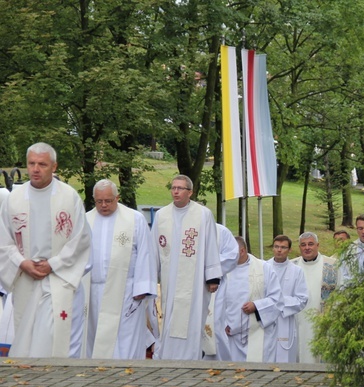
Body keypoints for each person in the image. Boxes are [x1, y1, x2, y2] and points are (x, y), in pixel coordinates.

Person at [0, 143, 91, 357]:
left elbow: (80, 239)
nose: (35, 169)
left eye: (42, 164)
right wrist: (21, 262)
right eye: (31, 163)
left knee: (51, 335)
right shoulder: (14, 198)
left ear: (54, 166)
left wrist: (54, 264)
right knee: (25, 335)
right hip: (25, 277)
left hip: (57, 279)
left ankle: (53, 381)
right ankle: (26, 383)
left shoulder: (69, 197)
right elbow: (3, 239)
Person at [84, 180, 157, 359]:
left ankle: (127, 372)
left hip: (126, 291)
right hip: (93, 290)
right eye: (99, 201)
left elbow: (146, 253)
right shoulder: (86, 219)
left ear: (117, 197)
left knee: (124, 338)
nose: (103, 205)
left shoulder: (134, 219)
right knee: (95, 334)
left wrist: (142, 287)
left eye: (108, 201)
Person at [151, 174, 222, 360]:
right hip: (169, 277)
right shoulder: (161, 215)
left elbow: (211, 245)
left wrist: (212, 276)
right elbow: (154, 249)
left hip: (195, 280)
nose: (175, 191)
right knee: (170, 315)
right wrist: (151, 277)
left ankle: (191, 358)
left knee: (191, 318)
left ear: (190, 192)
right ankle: (167, 356)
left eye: (180, 188)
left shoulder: (203, 214)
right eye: (173, 187)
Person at [218, 237, 282, 362]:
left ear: (242, 251)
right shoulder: (222, 271)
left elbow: (277, 300)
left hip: (257, 333)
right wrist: (221, 324)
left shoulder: (264, 268)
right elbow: (214, 300)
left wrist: (257, 306)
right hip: (229, 334)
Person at [291, 232, 338, 363]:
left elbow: (340, 293)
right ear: (299, 247)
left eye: (311, 244)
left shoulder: (332, 265)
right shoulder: (291, 266)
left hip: (323, 319)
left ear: (318, 245)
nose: (307, 248)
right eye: (303, 245)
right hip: (298, 320)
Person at [266, 235, 308, 363]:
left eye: (283, 247)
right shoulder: (263, 267)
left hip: (286, 320)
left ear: (289, 250)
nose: (279, 250)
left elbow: (302, 299)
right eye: (276, 247)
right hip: (266, 318)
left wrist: (278, 302)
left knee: (285, 357)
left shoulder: (297, 271)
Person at [202, 223, 239, 359]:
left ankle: (219, 363)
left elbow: (232, 255)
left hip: (213, 287)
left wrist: (210, 271)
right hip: (187, 285)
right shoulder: (182, 228)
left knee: (214, 325)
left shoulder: (220, 231)